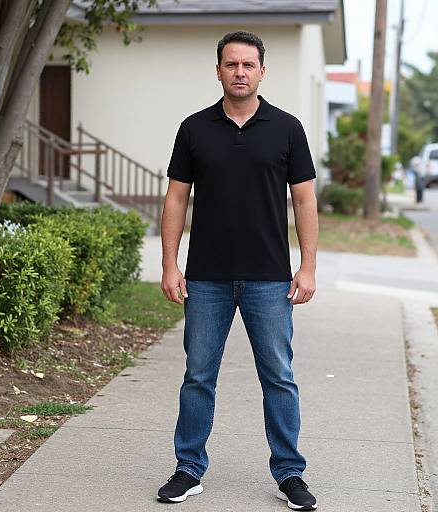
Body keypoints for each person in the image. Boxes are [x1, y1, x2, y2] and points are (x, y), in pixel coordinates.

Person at [158, 31, 319, 511]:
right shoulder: (194, 128)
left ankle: (290, 474)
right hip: (206, 277)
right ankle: (188, 468)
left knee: (279, 378)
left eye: (249, 65)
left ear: (262, 71)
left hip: (270, 278)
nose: (240, 72)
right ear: (219, 70)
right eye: (232, 65)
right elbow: (175, 197)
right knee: (198, 376)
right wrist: (170, 263)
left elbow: (305, 198)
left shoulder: (287, 129)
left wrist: (307, 267)